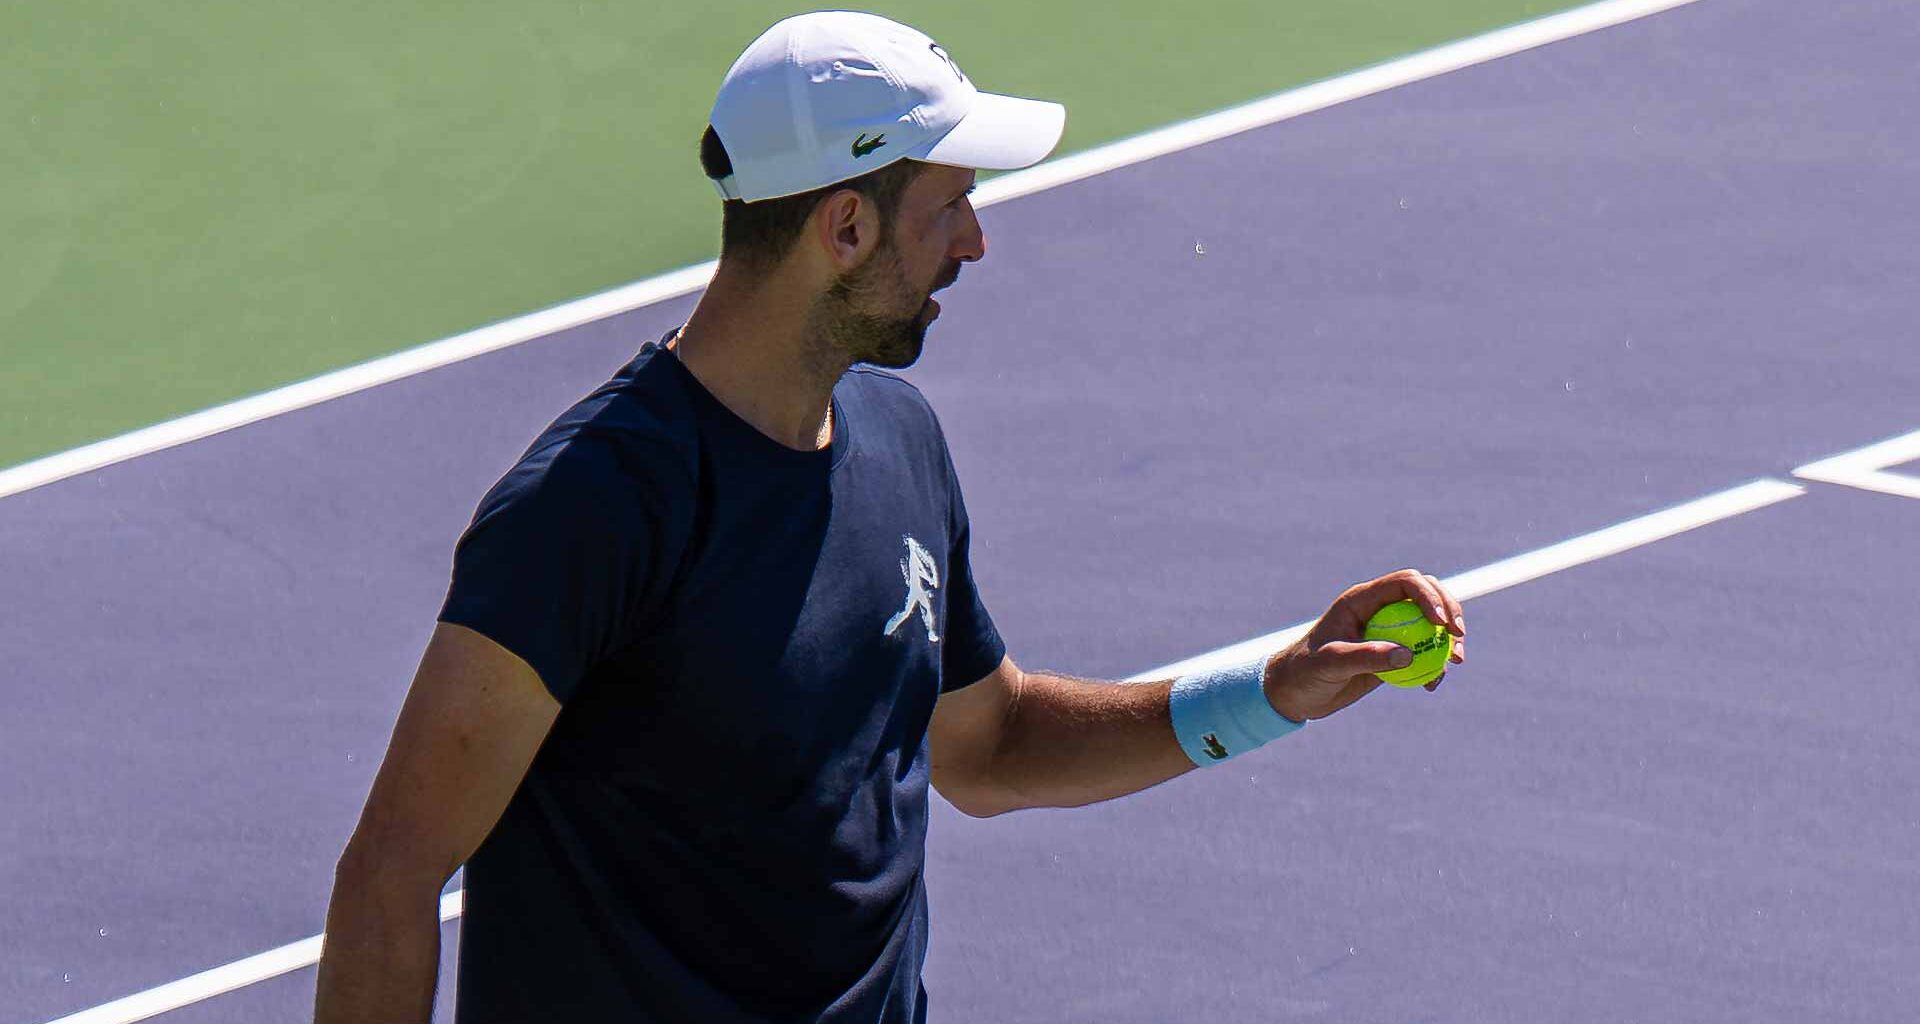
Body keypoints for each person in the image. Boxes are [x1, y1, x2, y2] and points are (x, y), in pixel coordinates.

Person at [312, 11, 1466, 1023]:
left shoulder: (902, 444)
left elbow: (992, 745)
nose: (975, 240)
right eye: (950, 206)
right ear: (846, 229)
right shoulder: (592, 508)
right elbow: (395, 871)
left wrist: (1275, 689)